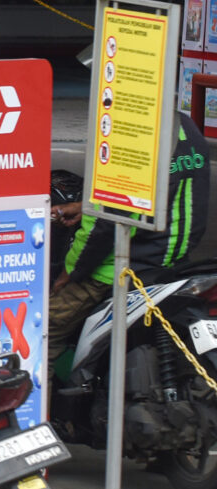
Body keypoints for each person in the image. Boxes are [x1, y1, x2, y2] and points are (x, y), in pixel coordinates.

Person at [48, 110, 209, 364]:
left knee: (45, 334)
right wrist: (85, 207)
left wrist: (70, 273)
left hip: (121, 267)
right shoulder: (185, 126)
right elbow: (154, 192)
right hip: (174, 261)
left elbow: (104, 225)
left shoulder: (130, 131)